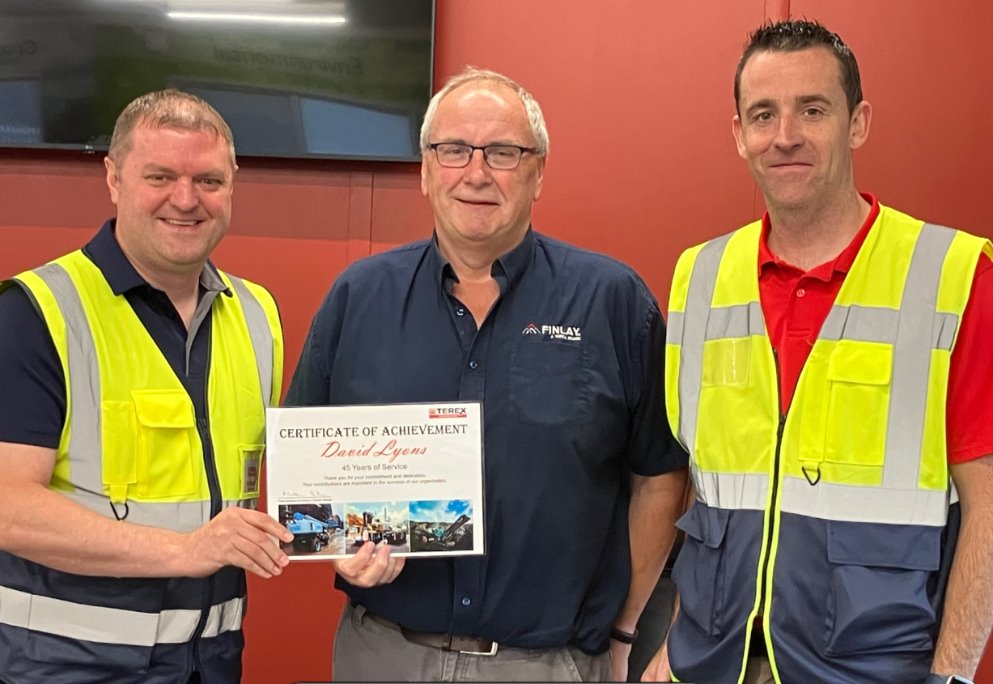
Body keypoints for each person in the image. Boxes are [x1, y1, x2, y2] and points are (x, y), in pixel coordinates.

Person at [286, 67, 688, 682]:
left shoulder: (612, 301)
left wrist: (627, 627)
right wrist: (344, 547)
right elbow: (308, 478)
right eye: (453, 150)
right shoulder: (358, 297)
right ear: (425, 168)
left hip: (549, 664)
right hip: (384, 655)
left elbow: (659, 475)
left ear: (538, 172)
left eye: (503, 152)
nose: (476, 173)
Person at [644, 19, 993, 684]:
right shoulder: (698, 277)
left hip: (875, 671)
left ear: (856, 122)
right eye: (762, 115)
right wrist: (672, 639)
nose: (785, 136)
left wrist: (950, 678)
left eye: (812, 109)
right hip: (710, 665)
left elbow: (988, 506)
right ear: (737, 133)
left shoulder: (948, 275)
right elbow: (706, 487)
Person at [0, 89, 293, 684]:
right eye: (159, 176)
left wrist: (377, 536)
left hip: (209, 661)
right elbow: (7, 506)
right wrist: (185, 551)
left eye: (208, 180)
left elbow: (297, 479)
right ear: (113, 178)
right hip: (66, 664)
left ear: (233, 184)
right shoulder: (37, 312)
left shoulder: (258, 313)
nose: (185, 200)